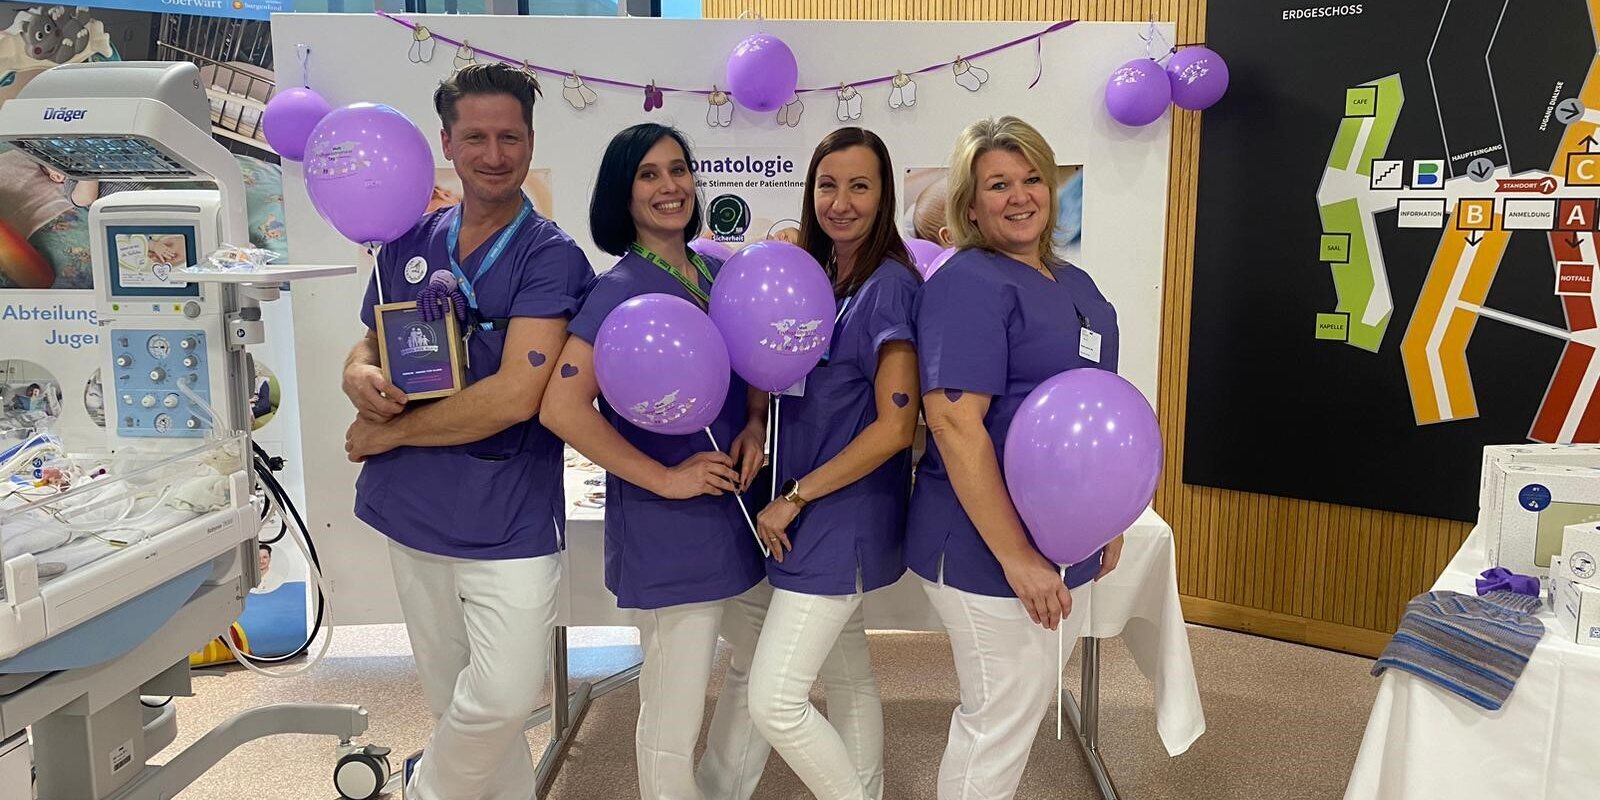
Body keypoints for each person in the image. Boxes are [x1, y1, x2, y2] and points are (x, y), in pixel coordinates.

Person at [339, 63, 592, 800]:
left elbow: (515, 396)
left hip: (505, 512)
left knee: (507, 698)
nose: (493, 153)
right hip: (413, 509)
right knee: (459, 705)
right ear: (447, 142)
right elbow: (369, 343)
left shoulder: (550, 256)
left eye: (509, 136)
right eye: (475, 136)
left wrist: (390, 435)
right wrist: (356, 375)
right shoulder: (408, 242)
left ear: (530, 140)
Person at [541, 123, 771, 800]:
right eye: (648, 174)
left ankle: (719, 789)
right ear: (624, 192)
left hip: (737, 511)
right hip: (668, 526)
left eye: (678, 170)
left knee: (767, 667)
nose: (669, 186)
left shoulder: (717, 273)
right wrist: (666, 479)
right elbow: (561, 406)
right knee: (674, 707)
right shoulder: (618, 292)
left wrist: (755, 421)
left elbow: (758, 365)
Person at [909, 116, 1124, 799]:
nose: (1019, 195)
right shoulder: (968, 283)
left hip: (1064, 541)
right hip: (985, 548)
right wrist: (1018, 558)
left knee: (1022, 707)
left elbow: (1097, 411)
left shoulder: (1077, 284)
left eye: (1032, 177)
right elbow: (952, 424)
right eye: (997, 184)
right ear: (970, 206)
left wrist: (1107, 513)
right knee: (999, 717)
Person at [746, 127, 920, 800]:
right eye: (827, 184)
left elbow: (896, 426)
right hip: (811, 503)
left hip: (835, 509)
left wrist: (795, 493)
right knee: (849, 673)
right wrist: (759, 421)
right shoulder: (818, 278)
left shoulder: (889, 287)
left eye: (859, 186)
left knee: (775, 699)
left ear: (884, 196)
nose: (840, 202)